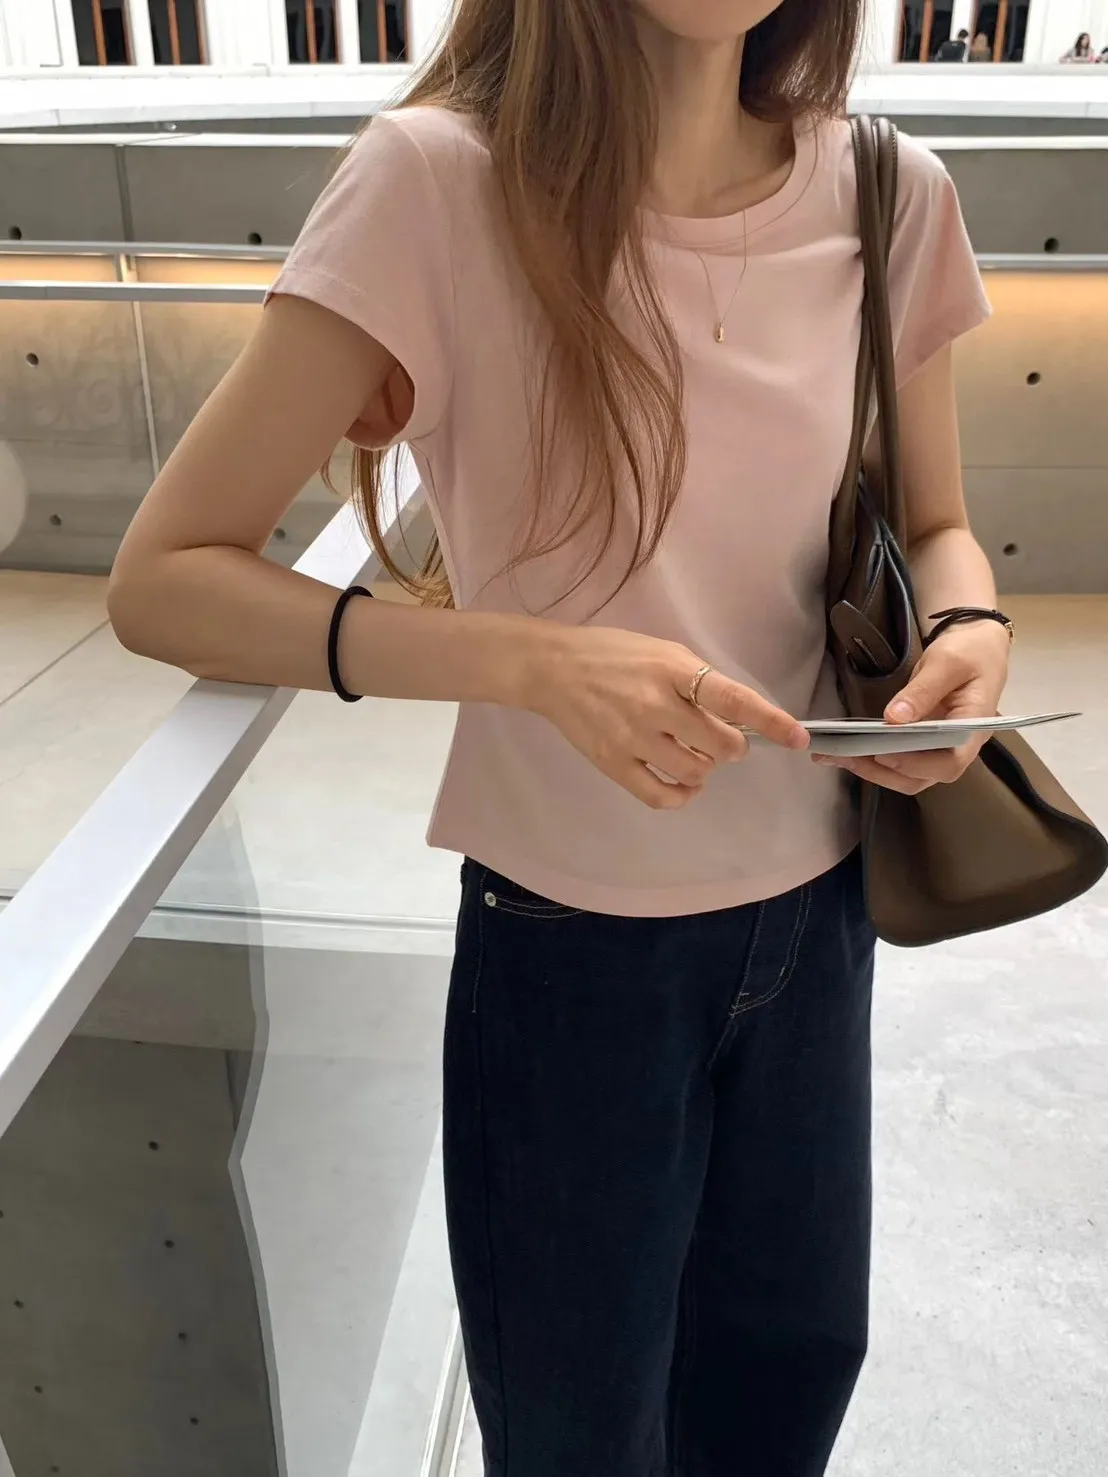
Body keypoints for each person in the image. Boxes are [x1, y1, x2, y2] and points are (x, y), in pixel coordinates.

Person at [108, 1, 1003, 1472]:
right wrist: (528, 663)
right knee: (576, 1436)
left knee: (783, 1397)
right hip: (570, 953)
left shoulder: (889, 191)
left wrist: (966, 630)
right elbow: (166, 578)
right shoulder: (435, 185)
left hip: (824, 909)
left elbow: (941, 521)